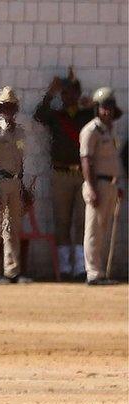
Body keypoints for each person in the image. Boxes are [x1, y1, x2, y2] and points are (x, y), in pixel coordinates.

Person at [33, 70, 95, 279]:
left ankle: (79, 265)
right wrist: (50, 92)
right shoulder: (56, 116)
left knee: (81, 220)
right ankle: (64, 267)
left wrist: (92, 103)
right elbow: (38, 115)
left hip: (82, 175)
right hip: (60, 174)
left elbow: (106, 118)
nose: (67, 97)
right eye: (65, 93)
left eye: (71, 93)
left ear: (77, 94)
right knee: (61, 221)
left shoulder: (87, 115)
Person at [0, 87, 31, 284]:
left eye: (11, 107)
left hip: (15, 181)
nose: (8, 111)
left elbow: (20, 159)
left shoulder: (19, 133)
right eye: (4, 107)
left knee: (13, 228)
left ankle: (12, 272)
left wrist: (22, 185)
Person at [79, 87, 124, 285]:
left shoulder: (109, 131)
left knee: (102, 230)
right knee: (94, 229)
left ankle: (99, 270)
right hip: (97, 183)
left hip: (111, 184)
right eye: (104, 107)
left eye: (110, 108)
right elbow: (86, 160)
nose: (108, 111)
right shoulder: (91, 130)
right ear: (97, 108)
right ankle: (93, 273)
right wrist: (91, 187)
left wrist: (117, 184)